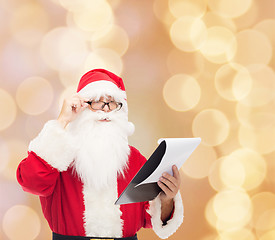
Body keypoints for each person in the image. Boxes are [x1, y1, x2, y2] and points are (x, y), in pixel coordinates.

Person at [17, 69, 184, 240]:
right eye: (97, 101)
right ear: (82, 106)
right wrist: (62, 121)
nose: (105, 110)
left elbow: (149, 218)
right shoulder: (58, 153)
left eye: (111, 102)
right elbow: (32, 182)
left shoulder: (134, 160)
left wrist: (167, 200)